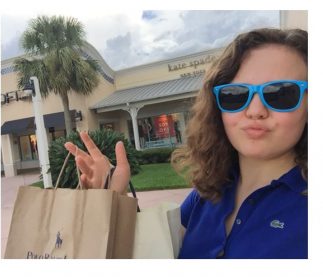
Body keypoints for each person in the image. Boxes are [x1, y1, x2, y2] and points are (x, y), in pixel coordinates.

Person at [64, 28, 307, 258]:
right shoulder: (208, 193)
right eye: (236, 95)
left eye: (281, 94)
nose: (255, 110)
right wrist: (114, 199)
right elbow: (158, 252)